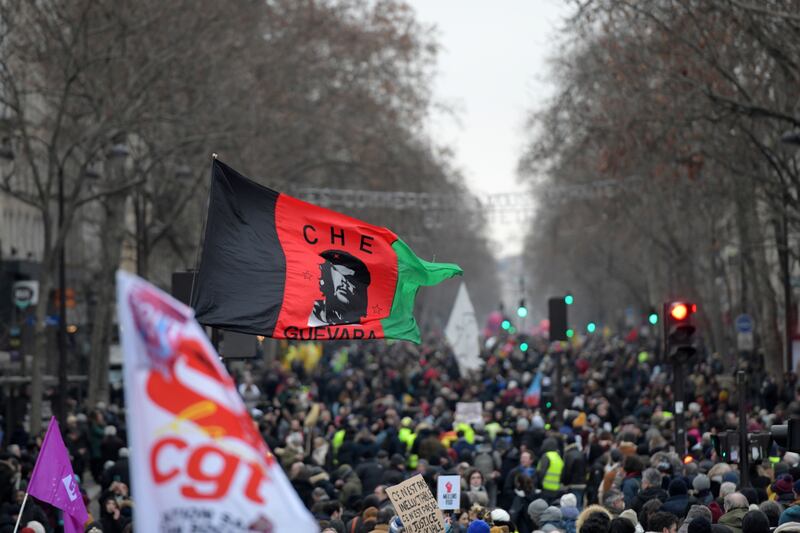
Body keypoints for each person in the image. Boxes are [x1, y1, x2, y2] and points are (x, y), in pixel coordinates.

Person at [308, 250, 371, 326]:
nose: (343, 282)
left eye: (349, 278)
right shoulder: (310, 312)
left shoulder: (366, 322)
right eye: (335, 275)